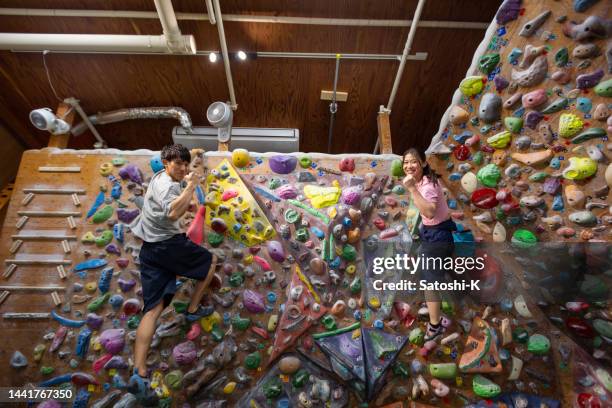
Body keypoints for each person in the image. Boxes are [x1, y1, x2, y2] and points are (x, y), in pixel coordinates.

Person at [128, 144, 218, 398]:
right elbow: (173, 213)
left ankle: (139, 370)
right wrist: (191, 186)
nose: (182, 168)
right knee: (210, 261)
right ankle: (192, 310)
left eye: (184, 163)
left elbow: (181, 166)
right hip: (168, 246)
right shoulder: (169, 186)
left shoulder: (161, 176)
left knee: (153, 308)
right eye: (177, 164)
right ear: (165, 163)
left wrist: (195, 156)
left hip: (150, 250)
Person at [402, 148, 456, 341]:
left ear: (423, 163)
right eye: (406, 162)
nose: (409, 165)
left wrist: (411, 189)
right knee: (427, 278)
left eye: (413, 161)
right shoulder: (422, 182)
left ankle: (435, 326)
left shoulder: (427, 185)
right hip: (432, 234)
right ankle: (434, 309)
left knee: (430, 283)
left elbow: (430, 212)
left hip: (438, 236)